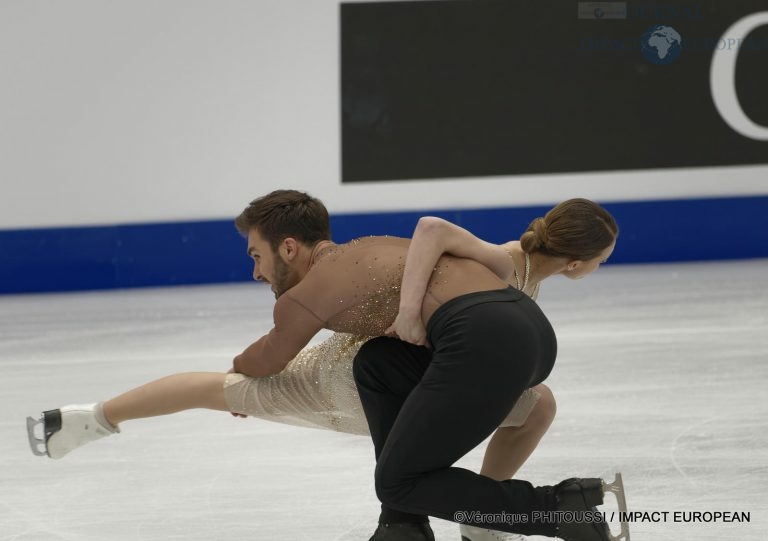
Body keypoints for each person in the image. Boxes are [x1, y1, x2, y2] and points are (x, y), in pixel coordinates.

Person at [26, 190, 623, 541]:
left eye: (257, 256)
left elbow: (264, 358)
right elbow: (438, 242)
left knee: (221, 389)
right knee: (534, 403)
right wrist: (414, 311)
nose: (255, 271)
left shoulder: (305, 297)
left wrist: (245, 373)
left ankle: (89, 419)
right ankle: (439, 525)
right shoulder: (373, 251)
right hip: (496, 350)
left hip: (348, 382)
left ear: (289, 248)